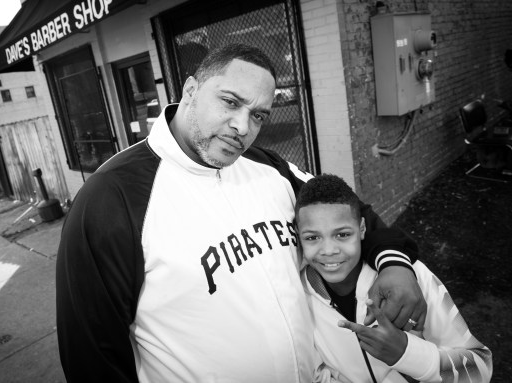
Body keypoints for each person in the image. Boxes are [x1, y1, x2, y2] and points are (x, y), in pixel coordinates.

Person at [56, 43, 426, 382]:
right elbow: (92, 355)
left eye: (258, 115)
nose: (242, 127)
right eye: (230, 102)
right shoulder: (111, 198)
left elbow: (347, 210)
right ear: (189, 91)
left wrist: (395, 262)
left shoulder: (268, 166)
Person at [297, 174, 493, 382]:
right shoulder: (297, 293)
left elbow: (480, 367)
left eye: (343, 234)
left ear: (362, 228)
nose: (328, 250)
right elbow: (316, 372)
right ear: (298, 236)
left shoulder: (411, 276)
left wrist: (407, 353)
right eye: (312, 237)